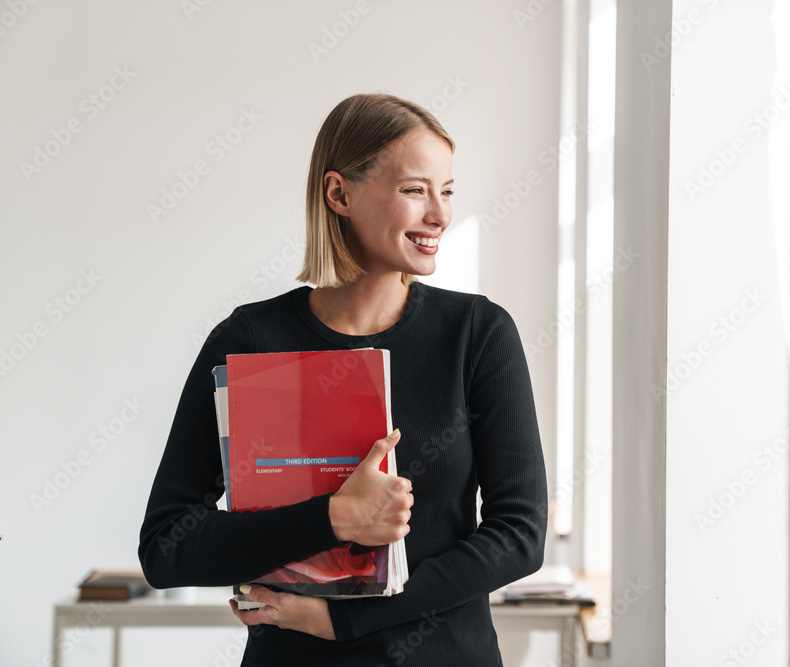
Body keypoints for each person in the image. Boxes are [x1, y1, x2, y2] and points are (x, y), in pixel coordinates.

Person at [138, 92, 548, 666]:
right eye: (414, 189)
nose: (440, 214)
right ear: (339, 193)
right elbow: (166, 547)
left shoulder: (477, 334)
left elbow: (520, 536)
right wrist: (333, 519)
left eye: (447, 190)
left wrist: (344, 621)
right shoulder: (250, 339)